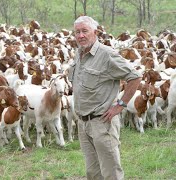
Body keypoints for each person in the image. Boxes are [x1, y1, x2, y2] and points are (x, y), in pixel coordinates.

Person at [68, 16, 142, 180]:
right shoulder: (78, 54)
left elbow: (135, 77)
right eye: (77, 32)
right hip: (83, 123)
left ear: (95, 32)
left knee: (111, 173)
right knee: (93, 173)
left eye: (84, 31)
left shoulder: (107, 55)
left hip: (102, 122)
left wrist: (120, 105)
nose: (80, 35)